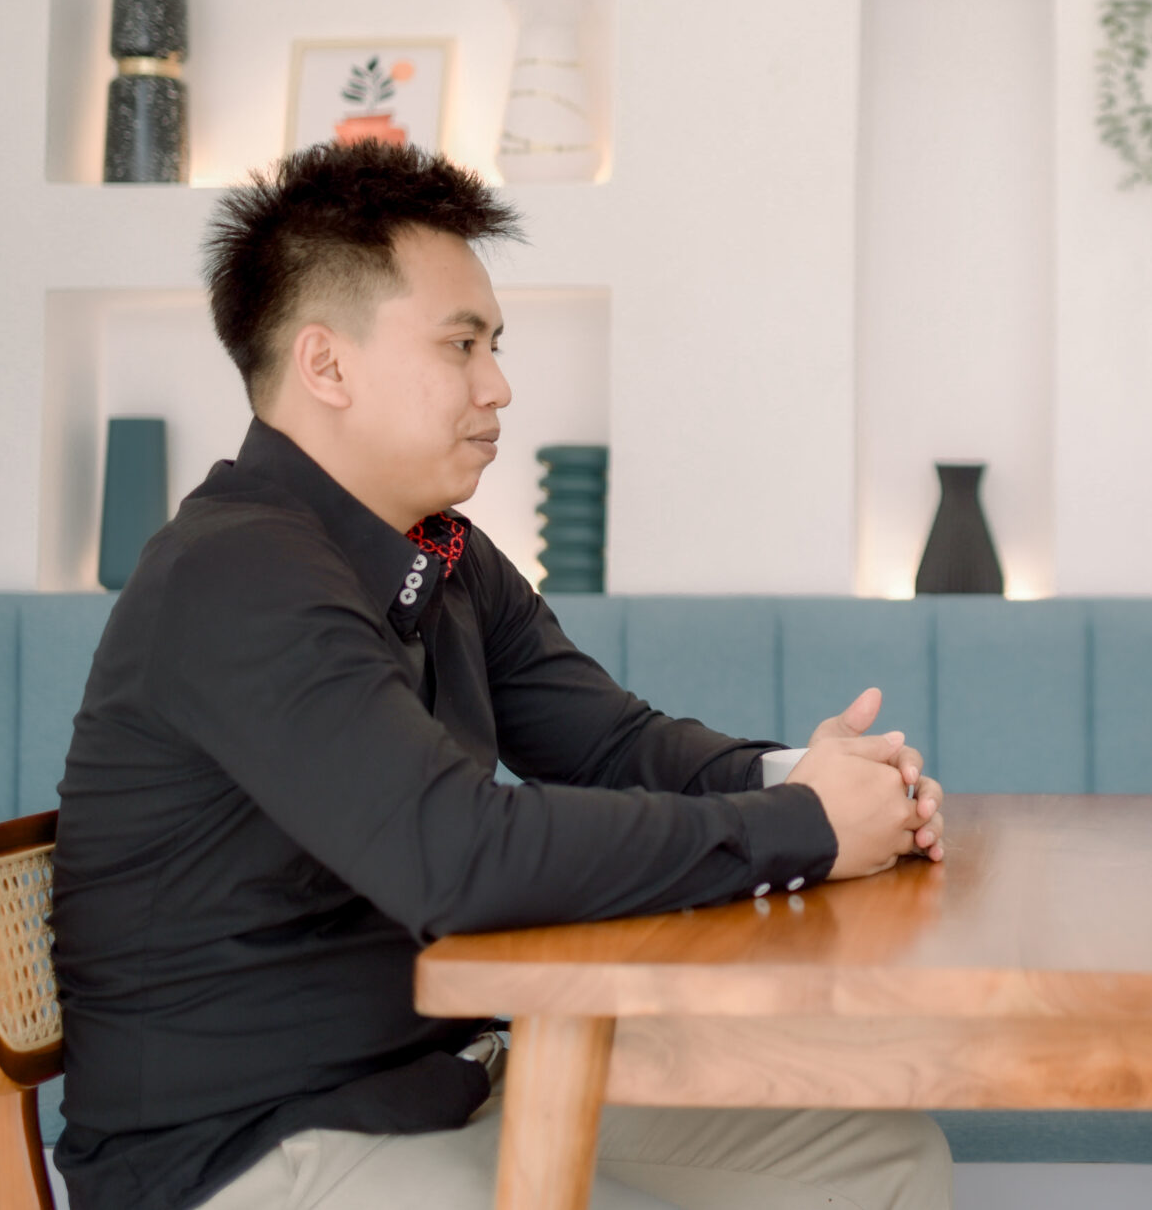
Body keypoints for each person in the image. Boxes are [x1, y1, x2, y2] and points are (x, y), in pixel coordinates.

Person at [51, 143, 953, 1210]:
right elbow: (458, 855)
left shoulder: (441, 552)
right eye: (461, 344)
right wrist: (803, 827)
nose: (499, 385)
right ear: (326, 365)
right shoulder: (235, 571)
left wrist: (810, 778)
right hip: (252, 1147)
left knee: (882, 1156)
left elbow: (613, 743)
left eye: (495, 345)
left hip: (445, 1086)